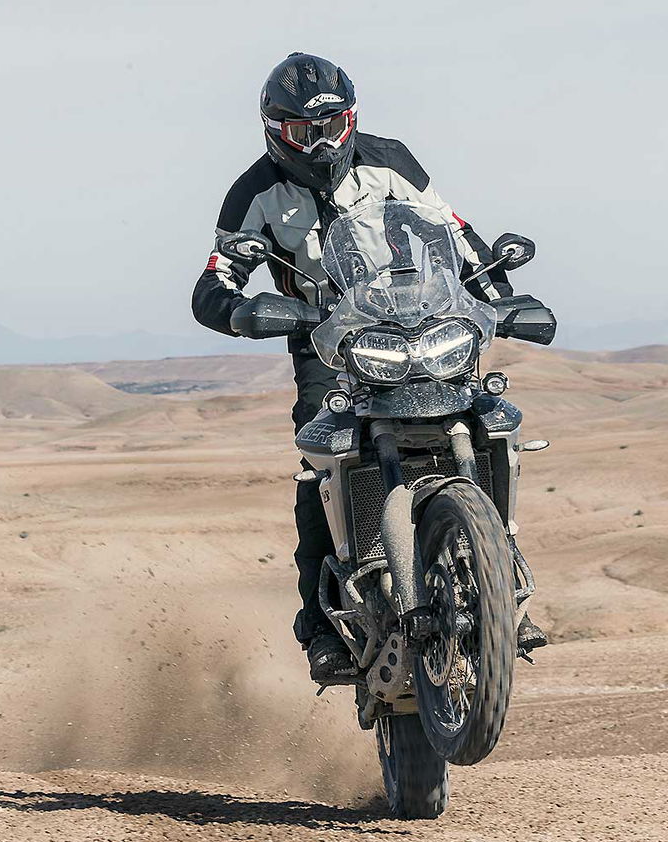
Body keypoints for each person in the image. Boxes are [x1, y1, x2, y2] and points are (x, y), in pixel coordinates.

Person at [191, 52, 547, 683]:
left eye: (333, 126)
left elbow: (457, 236)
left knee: (489, 422)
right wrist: (243, 312)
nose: (322, 143)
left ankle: (499, 583)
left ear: (351, 120)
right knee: (320, 461)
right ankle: (322, 626)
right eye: (304, 131)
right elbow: (217, 279)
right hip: (328, 342)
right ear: (275, 130)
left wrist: (498, 296)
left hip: (420, 325)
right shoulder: (253, 194)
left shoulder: (391, 160)